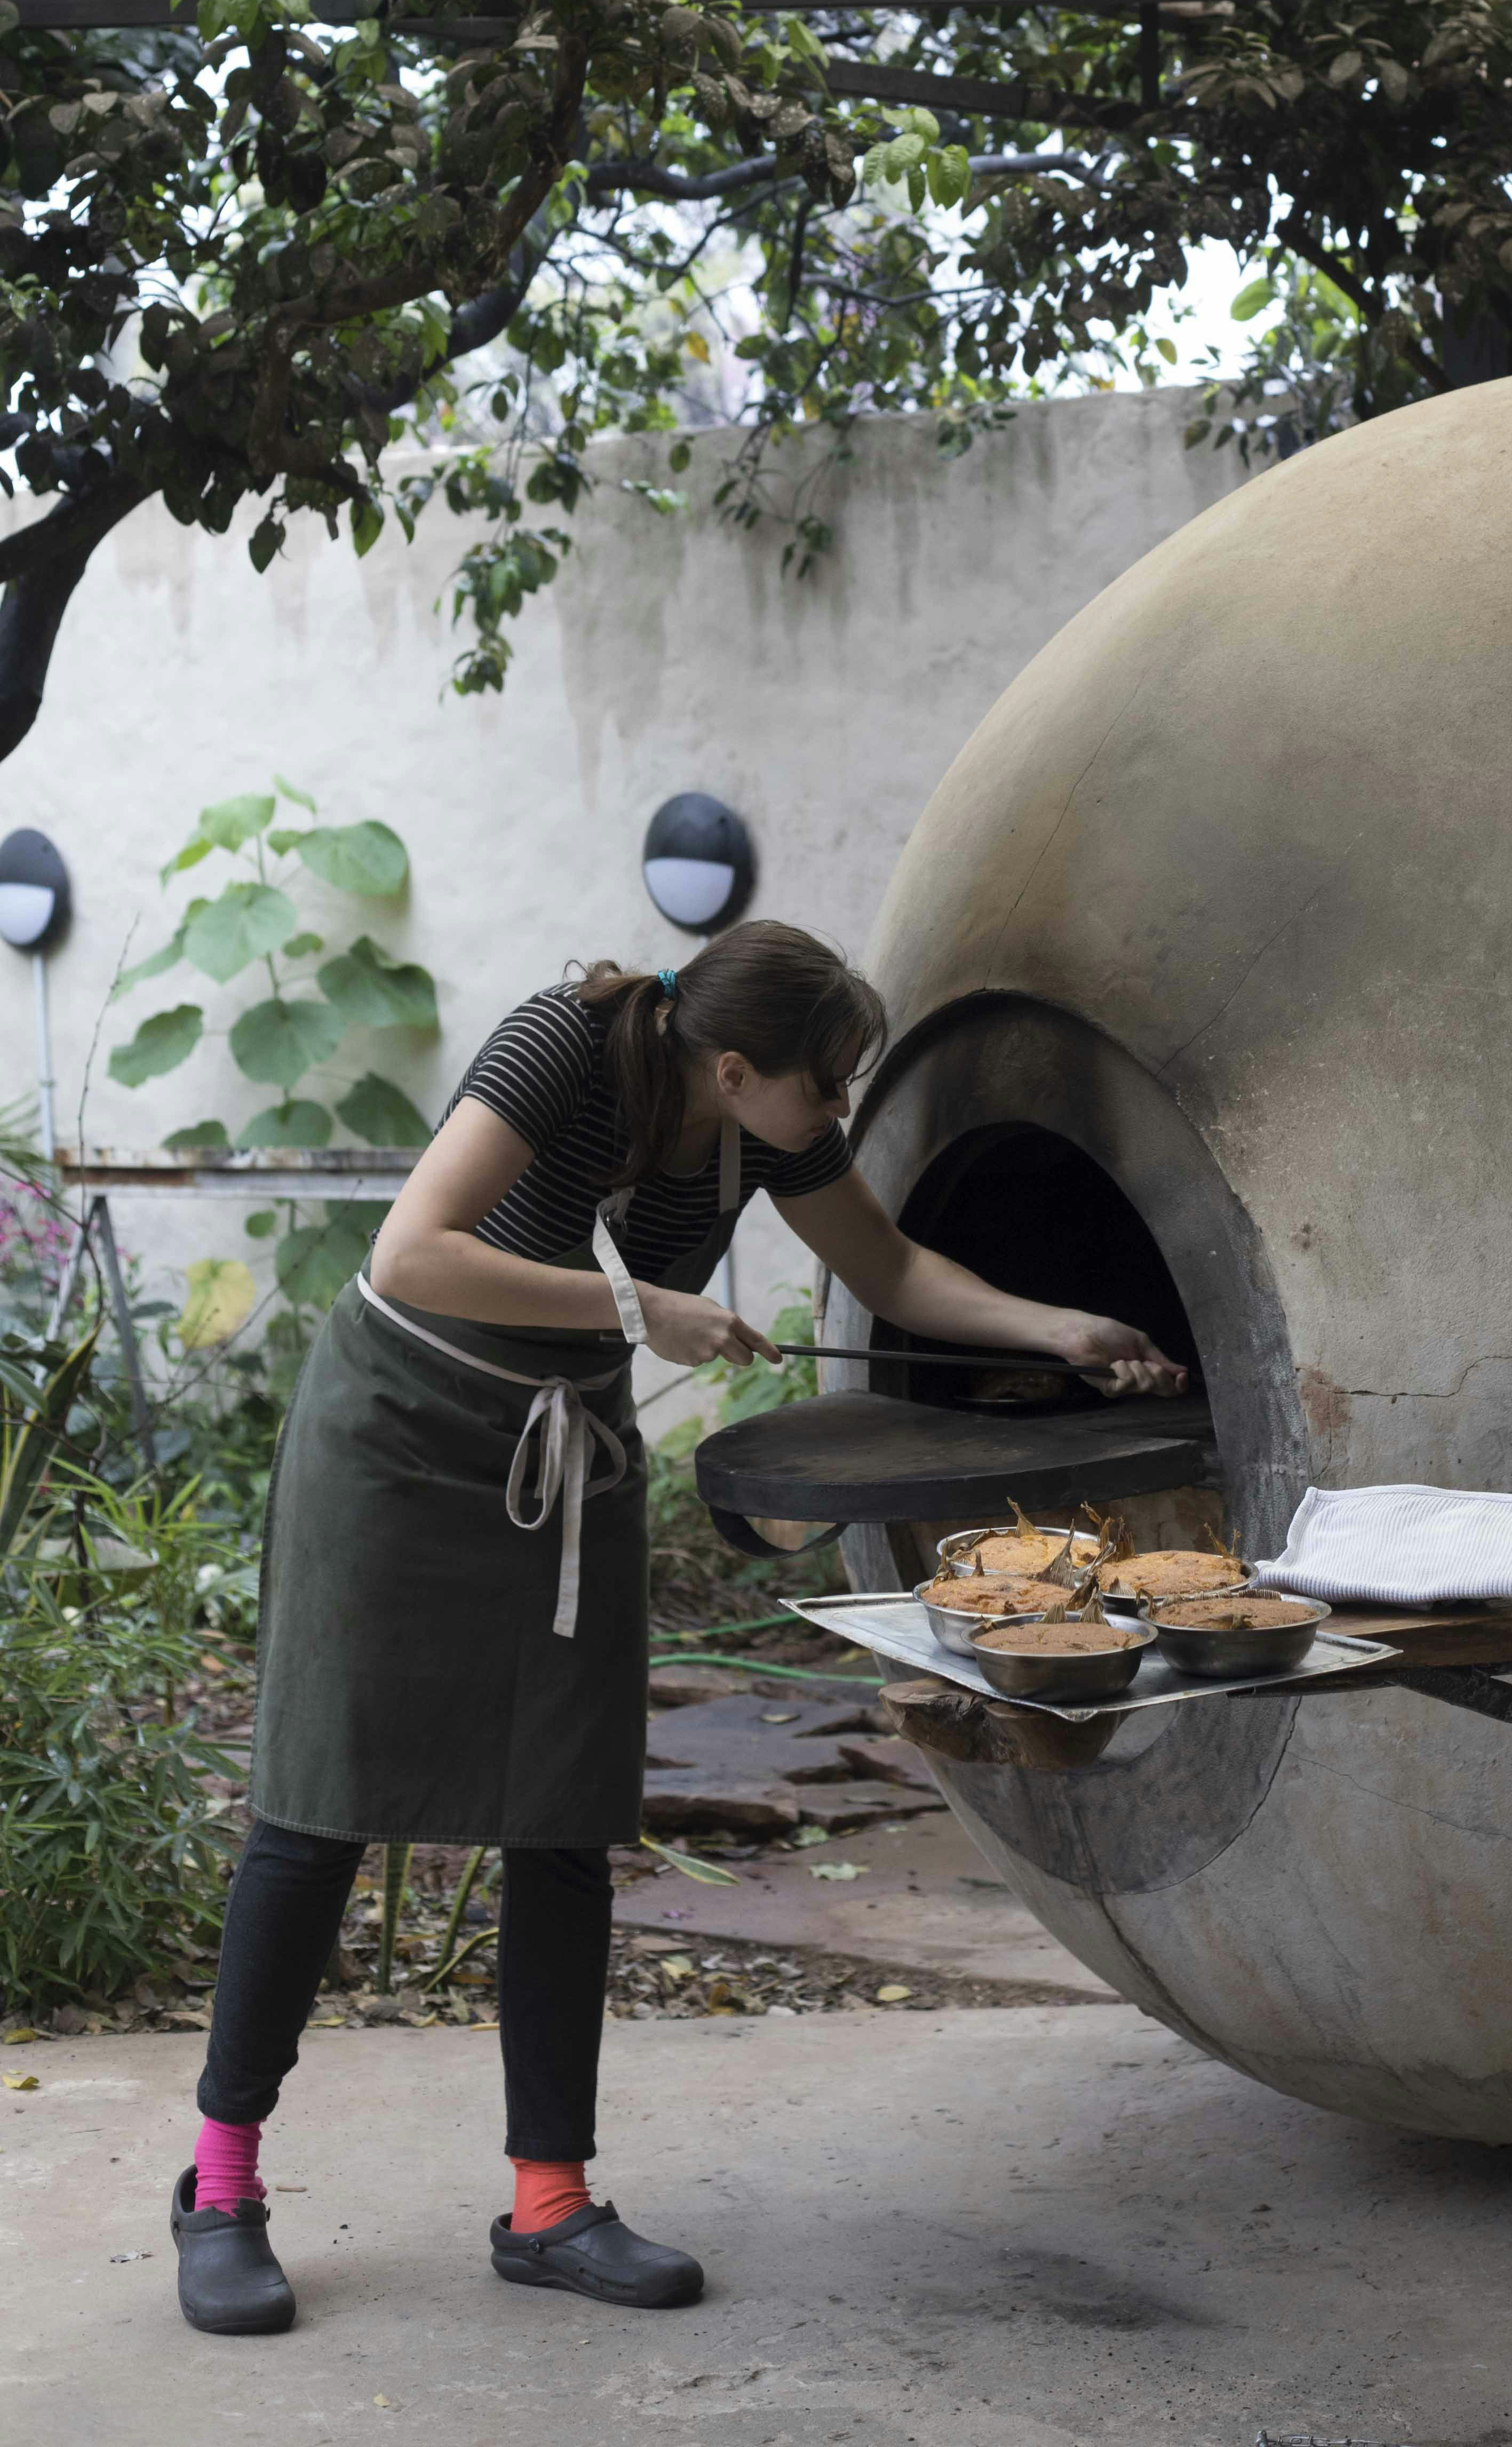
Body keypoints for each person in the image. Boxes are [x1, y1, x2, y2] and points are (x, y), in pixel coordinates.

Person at [170, 920, 1181, 2337]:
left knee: (562, 1816)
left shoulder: (760, 1127)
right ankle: (220, 2192)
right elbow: (414, 1254)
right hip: (399, 1432)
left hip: (564, 1450)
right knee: (319, 1804)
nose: (832, 1118)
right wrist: (643, 1306)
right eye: (823, 1092)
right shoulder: (558, 1047)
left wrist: (1059, 1328)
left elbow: (890, 1271)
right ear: (731, 1062)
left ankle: (549, 2205)